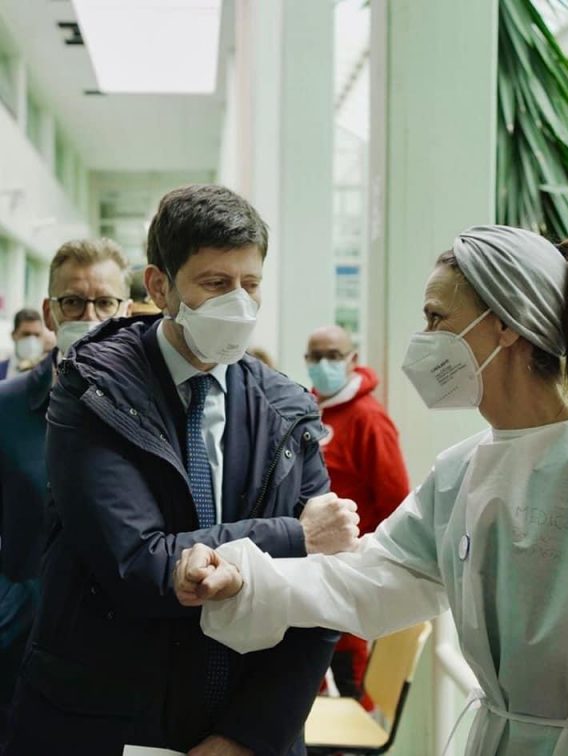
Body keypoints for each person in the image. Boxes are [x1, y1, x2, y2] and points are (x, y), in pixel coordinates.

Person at [177, 226, 568, 756]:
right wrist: (247, 577)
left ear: (506, 324)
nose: (424, 338)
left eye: (437, 318)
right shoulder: (464, 471)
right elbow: (378, 577)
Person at [4, 185, 359, 756]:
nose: (237, 304)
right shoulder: (93, 390)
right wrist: (294, 536)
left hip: (248, 723)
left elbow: (324, 589)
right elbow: (138, 561)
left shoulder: (286, 409)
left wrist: (249, 734)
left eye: (250, 284)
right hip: (107, 722)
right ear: (159, 287)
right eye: (215, 284)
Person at [0, 238, 133, 740]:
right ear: (49, 313)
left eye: (105, 303)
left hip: (125, 667)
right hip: (21, 664)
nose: (89, 316)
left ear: (126, 312)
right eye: (73, 302)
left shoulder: (156, 412)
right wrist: (20, 610)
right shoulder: (6, 409)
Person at [305, 325, 410, 706]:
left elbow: (396, 504)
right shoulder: (307, 411)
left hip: (352, 577)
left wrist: (373, 569)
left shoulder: (369, 418)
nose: (323, 364)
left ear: (352, 360)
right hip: (313, 573)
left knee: (349, 685)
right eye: (315, 357)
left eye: (333, 356)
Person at [0, 309, 45, 379]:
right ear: (13, 335)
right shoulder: (2, 370)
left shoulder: (50, 373)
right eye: (26, 334)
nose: (32, 340)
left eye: (37, 335)